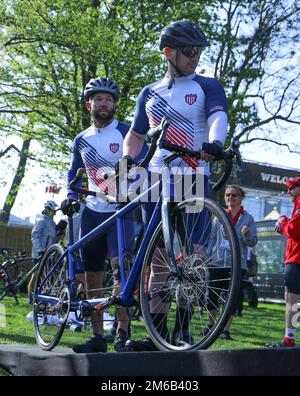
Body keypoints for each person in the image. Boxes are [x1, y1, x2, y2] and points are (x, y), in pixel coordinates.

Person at [122, 20, 228, 351]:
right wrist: (127, 160)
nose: (195, 57)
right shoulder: (149, 92)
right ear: (169, 53)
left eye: (198, 51)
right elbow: (136, 134)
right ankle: (159, 333)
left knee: (192, 258)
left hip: (192, 177)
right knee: (158, 260)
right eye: (188, 51)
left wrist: (214, 143)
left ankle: (184, 331)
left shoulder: (207, 85)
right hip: (154, 179)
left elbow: (217, 117)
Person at [61, 77, 147, 353]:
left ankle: (122, 333)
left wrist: (129, 186)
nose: (104, 104)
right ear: (90, 104)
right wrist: (72, 197)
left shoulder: (126, 132)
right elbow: (75, 174)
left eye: (109, 100)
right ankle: (98, 336)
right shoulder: (81, 139)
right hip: (92, 212)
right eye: (98, 99)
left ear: (115, 105)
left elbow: (143, 163)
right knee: (92, 276)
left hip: (121, 211)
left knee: (121, 271)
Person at [208, 185, 257, 340]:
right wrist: (208, 258)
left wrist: (246, 235)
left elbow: (253, 242)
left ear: (241, 197)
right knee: (212, 296)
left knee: (232, 299)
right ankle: (211, 326)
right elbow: (212, 240)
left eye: (234, 195)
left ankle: (225, 330)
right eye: (228, 195)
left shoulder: (248, 218)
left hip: (237, 265)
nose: (230, 197)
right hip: (217, 263)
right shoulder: (219, 215)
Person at [267, 176, 300, 348]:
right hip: (294, 257)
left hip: (297, 259)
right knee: (293, 299)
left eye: (292, 187)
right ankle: (290, 338)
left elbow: (294, 230)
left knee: (292, 299)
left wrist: (283, 221)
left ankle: (290, 339)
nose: (289, 191)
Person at [28, 200, 58, 298]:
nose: (55, 213)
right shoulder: (41, 221)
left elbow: (52, 239)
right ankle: (30, 298)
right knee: (36, 275)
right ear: (48, 210)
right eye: (54, 211)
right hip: (39, 253)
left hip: (48, 254)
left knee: (46, 276)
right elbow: (34, 236)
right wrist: (40, 249)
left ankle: (42, 298)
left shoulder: (53, 223)